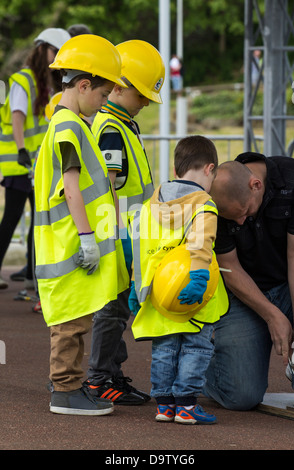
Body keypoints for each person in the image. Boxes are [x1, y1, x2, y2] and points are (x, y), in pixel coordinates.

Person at [34, 34, 129, 415]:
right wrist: (88, 238)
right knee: (71, 323)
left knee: (73, 319)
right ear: (85, 85)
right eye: (104, 95)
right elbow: (71, 187)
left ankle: (69, 387)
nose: (104, 103)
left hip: (67, 243)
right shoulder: (70, 127)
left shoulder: (67, 123)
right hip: (71, 244)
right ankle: (66, 391)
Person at [84, 40, 165, 405]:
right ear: (119, 85)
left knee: (117, 310)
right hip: (118, 235)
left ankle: (111, 375)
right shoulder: (112, 129)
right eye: (143, 94)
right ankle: (100, 379)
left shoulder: (120, 123)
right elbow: (111, 187)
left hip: (122, 234)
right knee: (113, 311)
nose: (147, 102)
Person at [130, 135, 229, 424]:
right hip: (193, 289)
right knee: (196, 346)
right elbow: (200, 243)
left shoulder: (151, 203)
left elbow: (138, 245)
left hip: (159, 292)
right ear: (209, 169)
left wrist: (138, 288)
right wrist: (198, 278)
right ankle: (186, 404)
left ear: (176, 170)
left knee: (164, 347)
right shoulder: (203, 203)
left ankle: (164, 405)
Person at [205, 152, 294, 411]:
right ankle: (200, 362)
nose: (239, 221)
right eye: (232, 218)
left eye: (245, 212)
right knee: (240, 396)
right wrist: (272, 316)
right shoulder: (213, 203)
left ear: (255, 185)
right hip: (244, 294)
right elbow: (229, 266)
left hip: (290, 282)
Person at [0, 28, 71, 290]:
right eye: (54, 51)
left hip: (37, 162)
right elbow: (17, 116)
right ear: (42, 49)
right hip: (20, 162)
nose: (55, 58)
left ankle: (33, 273)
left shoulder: (48, 80)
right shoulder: (24, 79)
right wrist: (20, 149)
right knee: (12, 217)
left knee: (38, 218)